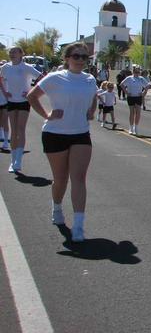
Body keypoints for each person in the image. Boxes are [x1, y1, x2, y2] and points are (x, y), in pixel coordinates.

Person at [26, 42, 97, 242]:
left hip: (81, 134)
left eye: (85, 57)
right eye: (77, 56)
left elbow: (93, 97)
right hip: (55, 134)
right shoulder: (55, 78)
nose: (81, 60)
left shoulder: (90, 79)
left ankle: (78, 225)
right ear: (67, 58)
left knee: (79, 178)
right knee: (61, 179)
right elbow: (32, 96)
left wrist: (91, 110)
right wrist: (47, 114)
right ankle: (57, 208)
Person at [0, 47, 43, 172]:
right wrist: (5, 92)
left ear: (21, 54)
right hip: (11, 101)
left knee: (20, 129)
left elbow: (42, 78)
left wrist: (31, 92)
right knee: (14, 130)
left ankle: (19, 160)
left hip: (24, 101)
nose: (11, 54)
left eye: (14, 52)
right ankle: (13, 161)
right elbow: (0, 79)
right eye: (10, 52)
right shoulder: (6, 67)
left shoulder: (27, 67)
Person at [120, 65, 150, 135]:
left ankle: (136, 127)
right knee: (132, 112)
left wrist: (144, 93)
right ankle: (130, 127)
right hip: (131, 97)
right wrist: (127, 92)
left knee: (138, 113)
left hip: (138, 97)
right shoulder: (129, 78)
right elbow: (121, 84)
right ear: (133, 72)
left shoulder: (141, 78)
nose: (137, 73)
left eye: (138, 72)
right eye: (136, 72)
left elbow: (147, 85)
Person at [0, 62, 9, 150]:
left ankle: (6, 141)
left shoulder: (8, 76)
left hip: (6, 101)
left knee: (5, 120)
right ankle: (1, 133)